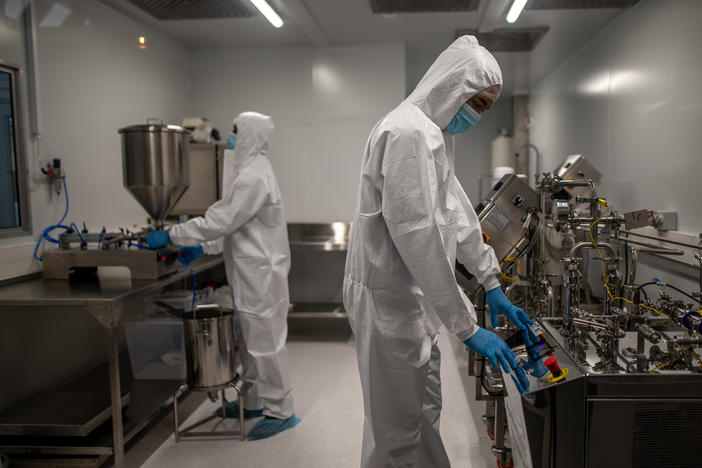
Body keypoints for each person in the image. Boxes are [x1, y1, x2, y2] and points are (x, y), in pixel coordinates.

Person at [343, 35, 532, 468]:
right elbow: (420, 237)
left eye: (485, 107)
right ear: (452, 84)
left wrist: (491, 280)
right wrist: (467, 327)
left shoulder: (431, 133)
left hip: (411, 303)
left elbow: (458, 214)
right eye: (478, 103)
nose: (477, 116)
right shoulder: (406, 132)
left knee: (422, 415)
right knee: (396, 431)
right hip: (389, 302)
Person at [146, 111, 300, 441]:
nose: (230, 138)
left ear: (250, 135)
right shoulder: (249, 173)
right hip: (250, 273)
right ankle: (256, 401)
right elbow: (233, 224)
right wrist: (204, 247)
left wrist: (174, 235)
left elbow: (223, 219)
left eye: (234, 131)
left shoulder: (254, 177)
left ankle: (281, 410)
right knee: (250, 342)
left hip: (260, 277)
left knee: (266, 345)